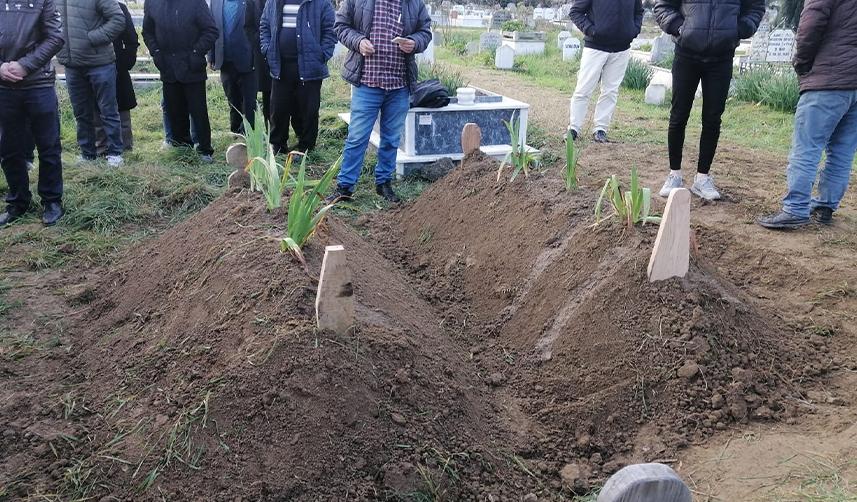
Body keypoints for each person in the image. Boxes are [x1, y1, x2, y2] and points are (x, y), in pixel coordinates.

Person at [758, 0, 857, 229]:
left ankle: (795, 208)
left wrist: (802, 62)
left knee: (807, 147)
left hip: (828, 78)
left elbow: (811, 23)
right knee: (842, 151)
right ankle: (825, 205)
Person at [655, 0, 765, 200]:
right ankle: (674, 175)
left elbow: (755, 8)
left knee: (713, 118)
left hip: (721, 57)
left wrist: (738, 29)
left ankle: (702, 178)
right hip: (686, 53)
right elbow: (663, 6)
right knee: (679, 115)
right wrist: (679, 28)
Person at [329, 0, 432, 203]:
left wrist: (414, 42)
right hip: (367, 82)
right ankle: (345, 187)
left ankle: (383, 183)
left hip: (399, 84)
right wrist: (358, 42)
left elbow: (425, 31)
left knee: (392, 138)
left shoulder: (414, 3)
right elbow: (340, 25)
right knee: (357, 137)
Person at [0, 0, 65, 227]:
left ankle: (52, 200)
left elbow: (55, 37)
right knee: (9, 148)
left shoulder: (43, 1)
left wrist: (25, 65)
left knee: (48, 145)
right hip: (4, 87)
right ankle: (17, 201)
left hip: (39, 84)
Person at [143, 0, 218, 162]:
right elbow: (147, 31)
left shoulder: (196, 3)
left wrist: (196, 53)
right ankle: (181, 149)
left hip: (192, 67)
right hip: (168, 67)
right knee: (174, 110)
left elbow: (211, 30)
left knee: (198, 111)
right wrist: (156, 52)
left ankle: (204, 150)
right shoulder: (152, 3)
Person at [57, 0, 127, 167]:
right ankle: (87, 154)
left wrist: (92, 38)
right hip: (72, 65)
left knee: (108, 110)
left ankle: (115, 153)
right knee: (81, 113)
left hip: (100, 63)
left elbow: (118, 19)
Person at [260, 0, 336, 153]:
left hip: (309, 65)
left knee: (308, 109)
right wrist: (267, 49)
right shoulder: (273, 1)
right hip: (280, 65)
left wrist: (322, 54)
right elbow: (264, 25)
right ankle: (278, 145)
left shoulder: (320, 3)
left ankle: (306, 147)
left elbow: (330, 30)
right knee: (278, 108)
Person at [568, 0, 643, 143]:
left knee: (610, 91)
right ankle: (574, 128)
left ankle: (600, 129)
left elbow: (638, 12)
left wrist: (633, 30)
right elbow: (575, 12)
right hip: (595, 47)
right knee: (583, 89)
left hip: (621, 48)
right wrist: (592, 30)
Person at [94, 0, 138, 155]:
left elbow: (131, 39)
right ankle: (101, 148)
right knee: (96, 109)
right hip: (92, 65)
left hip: (117, 66)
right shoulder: (85, 8)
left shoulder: (119, 8)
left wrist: (125, 63)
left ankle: (126, 148)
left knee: (122, 110)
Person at [210, 0, 260, 134]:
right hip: (224, 59)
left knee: (249, 102)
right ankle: (236, 131)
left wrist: (256, 54)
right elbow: (212, 28)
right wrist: (211, 56)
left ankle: (249, 134)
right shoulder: (215, 3)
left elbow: (259, 26)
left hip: (248, 59)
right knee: (232, 98)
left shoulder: (251, 2)